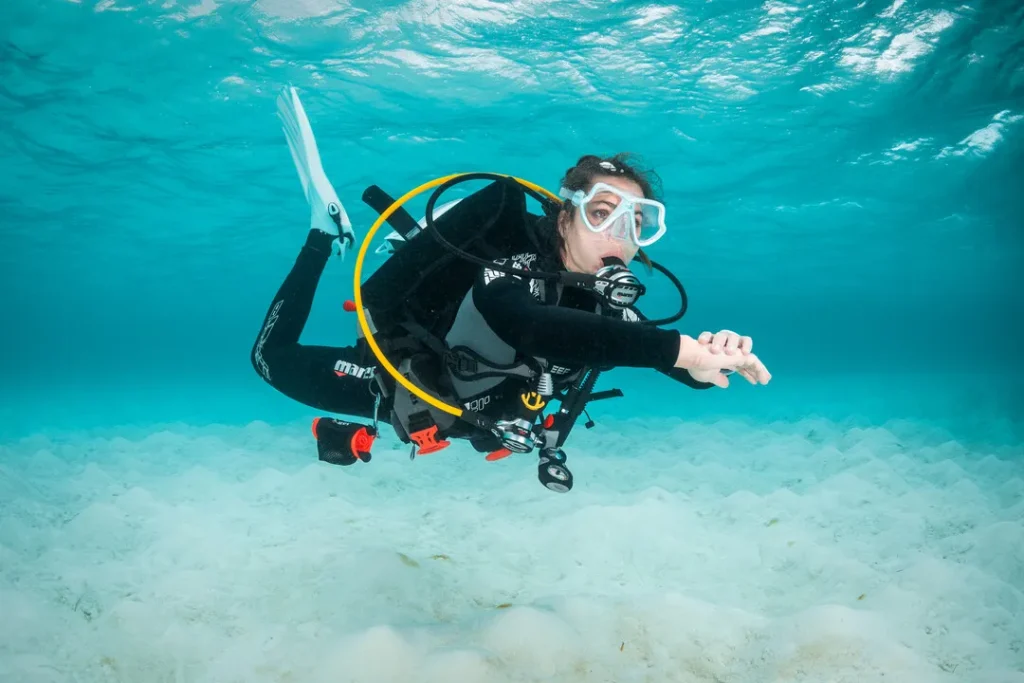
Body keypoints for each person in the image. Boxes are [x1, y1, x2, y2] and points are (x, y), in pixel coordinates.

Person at [251, 87, 771, 488]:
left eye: (637, 224)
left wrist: (711, 360)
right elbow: (530, 326)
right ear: (565, 218)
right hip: (397, 384)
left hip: (467, 415)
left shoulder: (613, 309)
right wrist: (681, 350)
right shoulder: (511, 268)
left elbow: (680, 367)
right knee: (268, 360)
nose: (619, 235)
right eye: (602, 213)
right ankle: (322, 235)